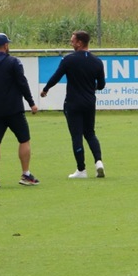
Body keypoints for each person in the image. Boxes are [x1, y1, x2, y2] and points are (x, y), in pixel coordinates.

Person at [0, 32, 40, 187]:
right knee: (24, 139)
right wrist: (31, 103)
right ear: (5, 45)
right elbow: (22, 83)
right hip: (13, 109)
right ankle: (25, 174)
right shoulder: (13, 62)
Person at [40, 29, 106, 179]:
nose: (71, 42)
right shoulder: (97, 61)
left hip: (73, 103)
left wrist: (46, 89)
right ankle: (98, 162)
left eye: (73, 40)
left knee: (76, 135)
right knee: (90, 133)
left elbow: (56, 76)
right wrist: (91, 88)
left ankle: (81, 170)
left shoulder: (69, 60)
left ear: (80, 43)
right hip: (89, 102)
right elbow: (101, 85)